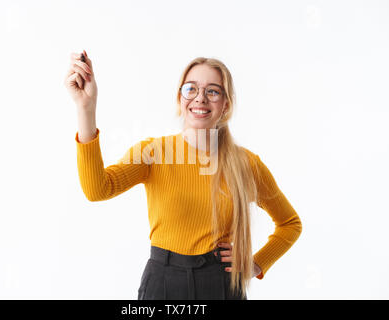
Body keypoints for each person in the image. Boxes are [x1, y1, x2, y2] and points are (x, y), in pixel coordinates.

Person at [64, 50, 302, 300]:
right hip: (163, 282)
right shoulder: (153, 152)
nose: (200, 98)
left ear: (226, 105)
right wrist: (86, 108)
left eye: (213, 91)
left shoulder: (247, 165)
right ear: (180, 98)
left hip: (221, 285)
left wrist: (255, 264)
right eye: (191, 89)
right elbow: (96, 189)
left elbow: (290, 224)